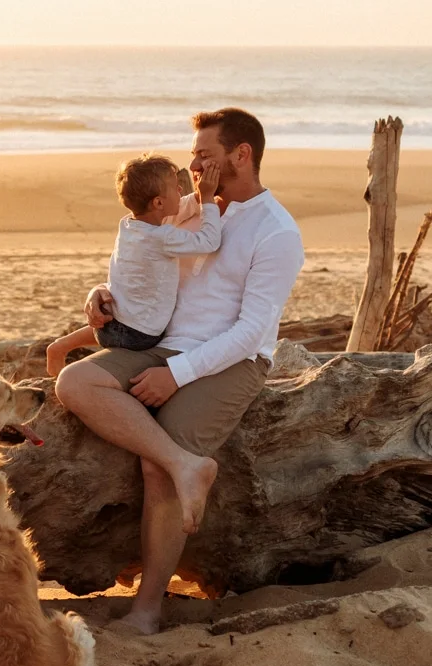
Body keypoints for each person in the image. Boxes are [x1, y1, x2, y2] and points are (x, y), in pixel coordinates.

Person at [54, 109, 304, 635]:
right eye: (192, 156)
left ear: (242, 155)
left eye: (205, 156)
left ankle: (146, 611)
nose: (193, 166)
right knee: (73, 382)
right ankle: (187, 465)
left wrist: (178, 375)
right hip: (157, 344)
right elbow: (138, 262)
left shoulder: (277, 231)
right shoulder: (184, 209)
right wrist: (99, 296)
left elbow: (251, 332)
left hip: (231, 360)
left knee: (155, 468)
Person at [45, 155, 224, 377]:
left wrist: (196, 196)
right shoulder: (161, 237)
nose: (181, 189)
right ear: (158, 203)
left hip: (108, 326)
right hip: (140, 336)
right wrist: (207, 199)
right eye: (175, 187)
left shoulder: (129, 225)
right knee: (137, 321)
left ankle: (60, 346)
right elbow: (209, 241)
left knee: (127, 311)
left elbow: (177, 208)